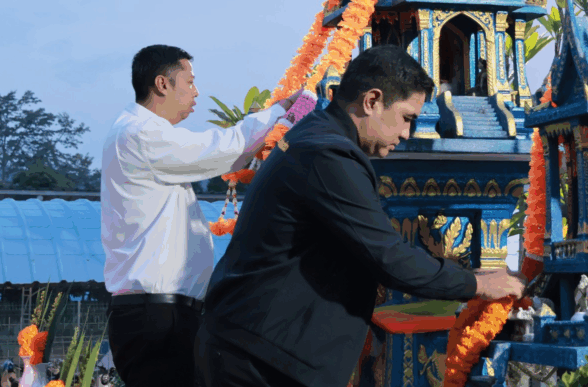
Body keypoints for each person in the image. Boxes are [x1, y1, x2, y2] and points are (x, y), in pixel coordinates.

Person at [194, 45, 526, 387]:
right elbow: (389, 257)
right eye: (407, 118)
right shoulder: (328, 154)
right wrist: (479, 284)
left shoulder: (315, 136)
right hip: (257, 361)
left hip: (253, 348)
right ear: (372, 101)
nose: (407, 134)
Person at [101, 44, 300, 387]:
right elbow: (221, 149)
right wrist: (279, 112)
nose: (196, 92)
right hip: (157, 317)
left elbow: (223, 154)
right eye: (190, 82)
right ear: (162, 84)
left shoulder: (138, 133)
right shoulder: (140, 133)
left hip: (164, 313)